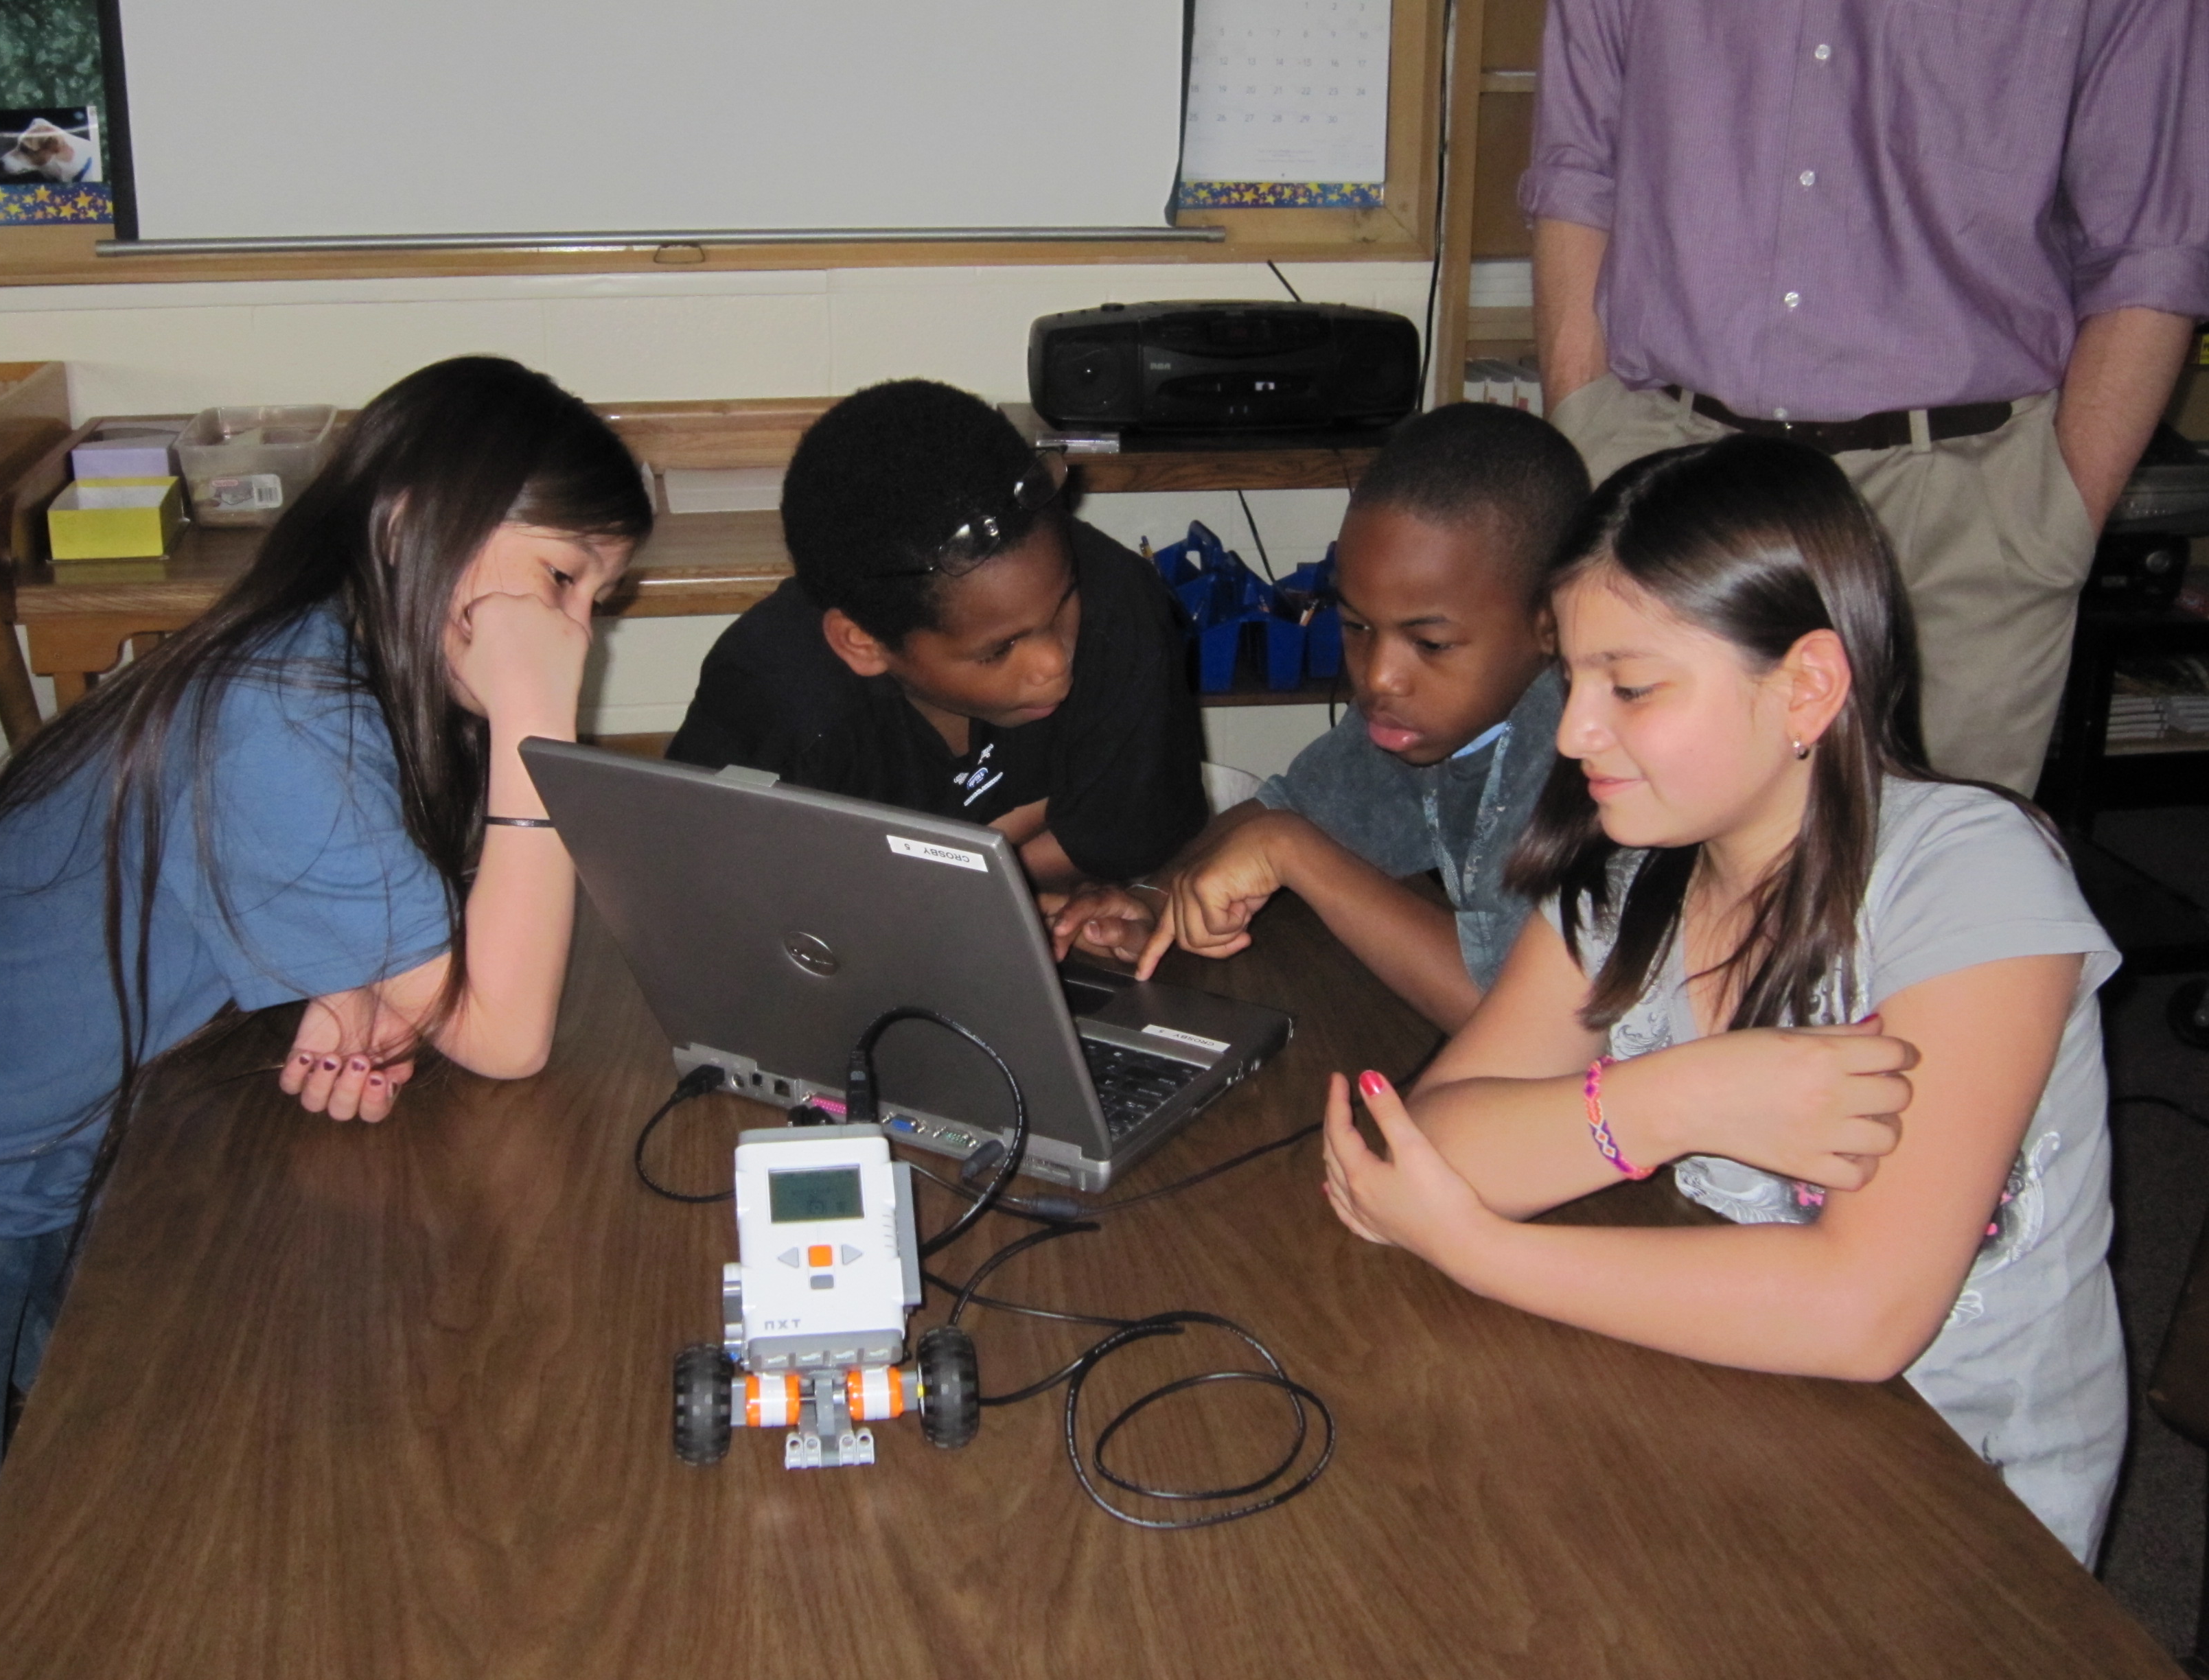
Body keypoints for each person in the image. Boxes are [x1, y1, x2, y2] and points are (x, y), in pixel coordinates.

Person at [1319, 435, 2125, 1564]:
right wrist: (1674, 1099)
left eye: (1629, 686)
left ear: (1806, 686)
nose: (1571, 731)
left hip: (1954, 1496)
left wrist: (1476, 1250)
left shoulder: (1968, 874)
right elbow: (1427, 1147)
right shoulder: (1635, 872)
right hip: (1722, 1396)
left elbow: (1860, 1313)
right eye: (1573, 679)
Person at [0, 355, 653, 1546]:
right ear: (409, 524)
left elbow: (413, 910)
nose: (575, 629)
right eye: (561, 577)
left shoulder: (337, 658)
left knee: (102, 1468)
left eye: (598, 596)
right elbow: (505, 1034)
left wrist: (345, 970)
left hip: (83, 1140)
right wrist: (537, 720)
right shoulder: (283, 706)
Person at [1520, 0, 2209, 795]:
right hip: (1664, 472)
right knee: (1646, 853)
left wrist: (2057, 517)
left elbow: (2154, 245)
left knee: (1927, 861)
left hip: (1959, 517)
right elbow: (1578, 176)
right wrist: (1589, 433)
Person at [1048, 403, 1588, 1032]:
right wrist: (1156, 897)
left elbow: (1514, 1020)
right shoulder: (1422, 717)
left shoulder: (1580, 757)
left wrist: (1289, 850)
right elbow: (1293, 807)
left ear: (1551, 623)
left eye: (1431, 644)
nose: (1379, 677)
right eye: (1356, 626)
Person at [666, 380, 1206, 891]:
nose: (1054, 662)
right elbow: (702, 882)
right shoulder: (771, 697)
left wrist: (996, 890)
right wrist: (965, 884)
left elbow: (1131, 831)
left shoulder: (1117, 600)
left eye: (1065, 602)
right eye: (1000, 650)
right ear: (863, 644)